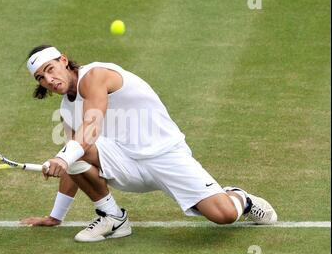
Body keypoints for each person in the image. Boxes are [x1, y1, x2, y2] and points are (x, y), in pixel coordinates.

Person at [20, 45, 277, 242]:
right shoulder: (67, 110)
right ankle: (113, 217)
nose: (49, 80)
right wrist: (56, 215)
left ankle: (242, 199)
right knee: (73, 151)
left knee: (224, 215)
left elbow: (92, 124)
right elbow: (76, 155)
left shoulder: (96, 75)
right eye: (41, 78)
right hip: (125, 164)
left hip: (165, 155)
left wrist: (64, 158)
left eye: (50, 69)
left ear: (64, 61)